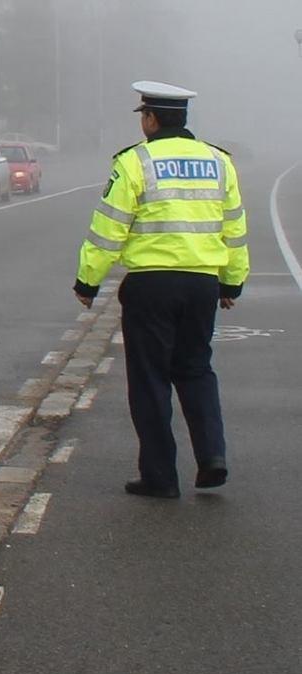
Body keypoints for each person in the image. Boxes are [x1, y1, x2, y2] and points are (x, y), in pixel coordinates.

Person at [73, 81, 250, 499]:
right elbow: (235, 229)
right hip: (203, 283)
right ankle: (212, 458)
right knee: (196, 370)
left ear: (150, 119)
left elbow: (108, 229)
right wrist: (232, 282)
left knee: (150, 380)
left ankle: (160, 476)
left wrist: (88, 281)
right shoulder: (219, 161)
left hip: (151, 286)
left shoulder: (135, 162)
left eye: (143, 117)